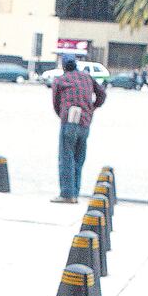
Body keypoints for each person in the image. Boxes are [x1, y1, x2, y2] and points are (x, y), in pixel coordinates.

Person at [50, 56, 106, 203]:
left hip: (69, 121)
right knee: (79, 159)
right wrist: (92, 107)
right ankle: (75, 192)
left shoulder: (60, 81)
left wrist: (62, 114)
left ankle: (67, 194)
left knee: (66, 157)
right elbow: (102, 94)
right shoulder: (87, 77)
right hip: (85, 123)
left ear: (63, 67)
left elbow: (56, 104)